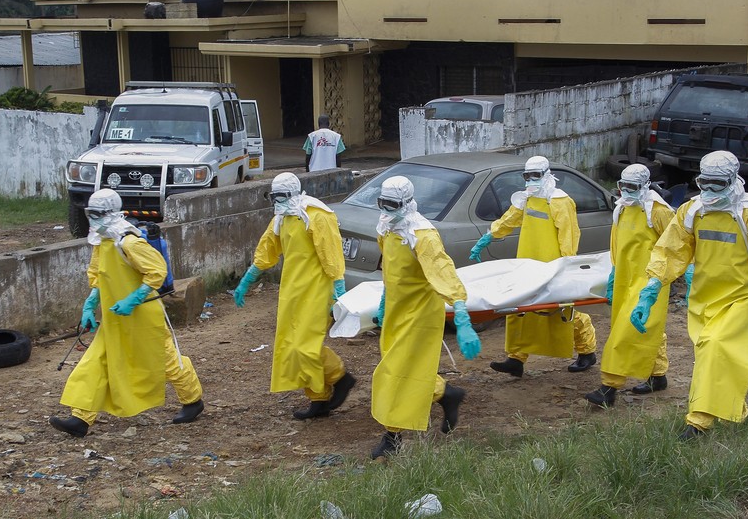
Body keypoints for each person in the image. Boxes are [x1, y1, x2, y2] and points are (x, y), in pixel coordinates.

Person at [630, 151, 748, 440]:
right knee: (709, 353)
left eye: (718, 183)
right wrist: (650, 291)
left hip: (742, 296)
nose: (711, 190)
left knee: (716, 346)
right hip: (704, 295)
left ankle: (698, 421)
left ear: (734, 180)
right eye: (705, 183)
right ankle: (731, 405)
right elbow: (670, 251)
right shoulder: (692, 211)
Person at [50, 189, 204, 437]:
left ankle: (193, 400)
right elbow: (98, 276)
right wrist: (90, 305)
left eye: (98, 213)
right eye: (90, 213)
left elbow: (156, 270)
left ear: (111, 213)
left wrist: (134, 299)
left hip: (143, 317)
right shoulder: (102, 243)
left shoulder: (129, 241)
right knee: (95, 363)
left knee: (166, 361)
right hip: (114, 318)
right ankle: (81, 417)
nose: (94, 218)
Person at [370, 176, 481, 459]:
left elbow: (444, 272)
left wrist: (462, 317)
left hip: (420, 312)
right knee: (403, 367)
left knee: (395, 371)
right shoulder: (386, 228)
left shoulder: (423, 235)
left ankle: (392, 437)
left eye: (393, 204)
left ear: (407, 203)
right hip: (397, 308)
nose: (387, 209)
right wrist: (385, 301)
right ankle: (446, 393)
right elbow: (390, 269)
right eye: (383, 203)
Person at [233, 172, 356, 420]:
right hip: (292, 291)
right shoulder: (282, 218)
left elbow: (331, 253)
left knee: (306, 347)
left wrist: (338, 288)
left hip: (317, 291)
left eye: (281, 196)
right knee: (291, 345)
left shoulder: (316, 216)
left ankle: (340, 377)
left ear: (292, 193)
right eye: (273, 196)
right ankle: (318, 399)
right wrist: (247, 279)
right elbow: (267, 248)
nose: (277, 201)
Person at [470, 156, 598, 377]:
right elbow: (510, 219)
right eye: (527, 176)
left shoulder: (560, 201)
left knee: (558, 311)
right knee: (519, 310)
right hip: (527, 265)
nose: (531, 180)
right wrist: (488, 237)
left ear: (546, 175)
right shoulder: (527, 199)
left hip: (552, 267)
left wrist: (567, 265)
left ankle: (587, 350)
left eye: (535, 176)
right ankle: (516, 359)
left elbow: (569, 235)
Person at [584, 164, 676, 408]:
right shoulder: (622, 209)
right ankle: (658, 376)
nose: (626, 192)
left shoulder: (657, 211)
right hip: (625, 277)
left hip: (649, 281)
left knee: (624, 332)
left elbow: (677, 245)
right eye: (623, 187)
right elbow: (617, 244)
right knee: (643, 328)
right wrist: (614, 274)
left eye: (632, 187)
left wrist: (681, 273)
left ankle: (609, 387)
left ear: (645, 187)